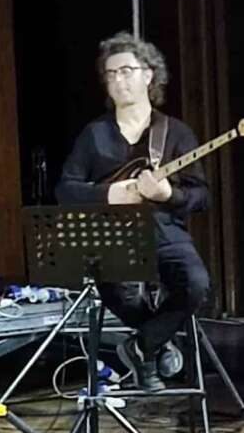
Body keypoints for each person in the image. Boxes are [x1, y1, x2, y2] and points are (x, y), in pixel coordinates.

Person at [55, 32, 210, 391]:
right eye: (111, 74)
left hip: (163, 229)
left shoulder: (175, 133)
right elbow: (65, 189)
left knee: (197, 285)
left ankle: (141, 346)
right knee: (116, 291)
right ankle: (157, 348)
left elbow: (202, 196)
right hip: (112, 233)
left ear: (149, 76)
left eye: (126, 70)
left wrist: (168, 193)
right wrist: (109, 194)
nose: (118, 80)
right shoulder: (93, 135)